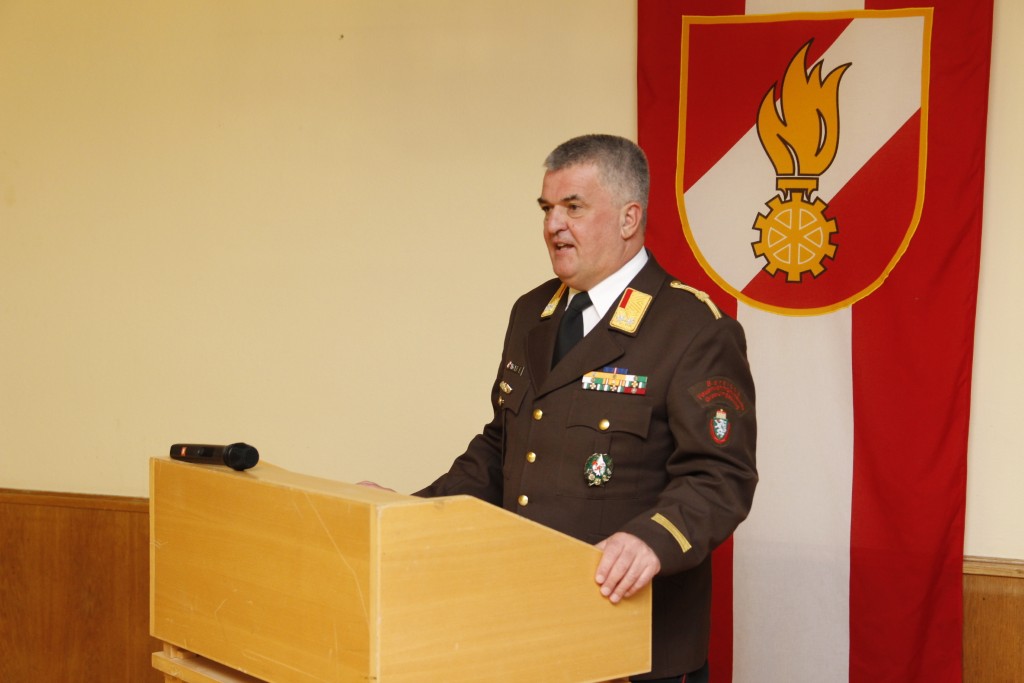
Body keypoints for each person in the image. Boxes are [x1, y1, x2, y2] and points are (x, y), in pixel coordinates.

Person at [416, 134, 758, 682]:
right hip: (530, 629)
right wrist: (411, 514)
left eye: (573, 207)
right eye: (547, 208)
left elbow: (720, 477)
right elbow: (501, 447)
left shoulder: (692, 327)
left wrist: (650, 540)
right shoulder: (532, 312)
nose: (553, 224)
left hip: (633, 646)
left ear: (629, 218)